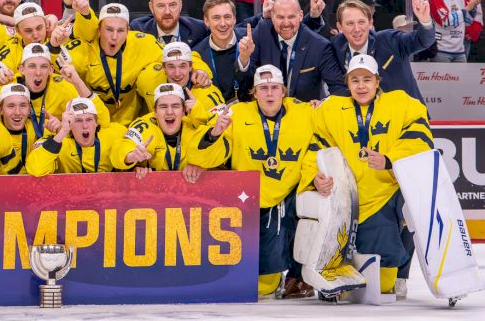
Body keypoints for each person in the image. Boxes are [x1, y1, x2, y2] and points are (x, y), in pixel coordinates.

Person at [309, 54, 434, 296]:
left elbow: (421, 137)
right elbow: (314, 149)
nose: (361, 86)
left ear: (377, 81)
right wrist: (315, 177)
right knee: (351, 286)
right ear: (347, 84)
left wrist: (389, 160)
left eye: (367, 80)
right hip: (346, 197)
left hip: (384, 193)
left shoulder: (400, 103)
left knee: (383, 285)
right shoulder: (330, 109)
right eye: (355, 80)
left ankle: (398, 274)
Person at [206, 65, 319, 298]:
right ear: (254, 93)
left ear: (283, 91)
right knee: (261, 283)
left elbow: (325, 135)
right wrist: (213, 134)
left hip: (287, 193)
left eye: (274, 88)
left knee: (267, 282)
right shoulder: (236, 113)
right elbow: (208, 149)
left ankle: (298, 276)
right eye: (263, 88)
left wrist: (313, 175)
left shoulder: (306, 112)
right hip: (246, 197)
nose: (269, 93)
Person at [237, 0, 347, 102]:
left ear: (300, 16)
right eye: (280, 17)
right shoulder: (262, 32)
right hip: (266, 109)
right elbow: (244, 83)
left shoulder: (319, 45)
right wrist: (244, 59)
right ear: (272, 16)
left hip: (304, 110)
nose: (286, 23)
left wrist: (322, 104)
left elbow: (338, 88)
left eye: (291, 17)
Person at [110, 83, 225, 182]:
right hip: (155, 194)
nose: (169, 112)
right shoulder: (144, 125)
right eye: (163, 107)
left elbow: (220, 157)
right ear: (155, 111)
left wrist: (203, 166)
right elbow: (118, 149)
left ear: (184, 110)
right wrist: (130, 156)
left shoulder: (196, 127)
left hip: (192, 193)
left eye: (175, 106)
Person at [332, 0, 435, 98]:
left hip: (405, 108)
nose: (357, 29)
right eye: (350, 23)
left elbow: (422, 41)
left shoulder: (389, 40)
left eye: (361, 22)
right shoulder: (335, 48)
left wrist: (425, 21)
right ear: (340, 27)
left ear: (370, 23)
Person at [27, 97, 126, 176]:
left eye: (89, 119)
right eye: (78, 120)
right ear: (70, 123)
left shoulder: (114, 134)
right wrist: (63, 131)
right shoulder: (56, 142)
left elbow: (130, 151)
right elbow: (35, 169)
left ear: (96, 122)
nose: (85, 125)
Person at [192, 0, 248, 102]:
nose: (222, 24)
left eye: (227, 17)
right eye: (216, 18)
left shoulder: (250, 41)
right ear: (206, 21)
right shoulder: (198, 53)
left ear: (234, 19)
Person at [129, 0, 209, 46]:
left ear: (180, 5)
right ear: (151, 7)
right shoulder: (138, 29)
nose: (167, 12)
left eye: (172, 5)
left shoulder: (199, 29)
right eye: (161, 6)